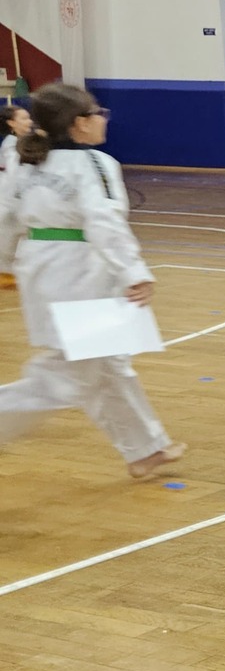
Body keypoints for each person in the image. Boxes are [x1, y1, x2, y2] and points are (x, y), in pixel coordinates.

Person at [0, 84, 185, 478]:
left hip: (40, 267)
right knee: (66, 376)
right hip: (81, 273)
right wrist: (132, 271)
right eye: (99, 113)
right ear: (80, 123)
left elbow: (6, 217)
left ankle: (146, 449)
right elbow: (104, 223)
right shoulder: (94, 164)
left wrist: (4, 261)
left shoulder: (24, 162)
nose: (103, 119)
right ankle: (144, 448)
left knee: (108, 364)